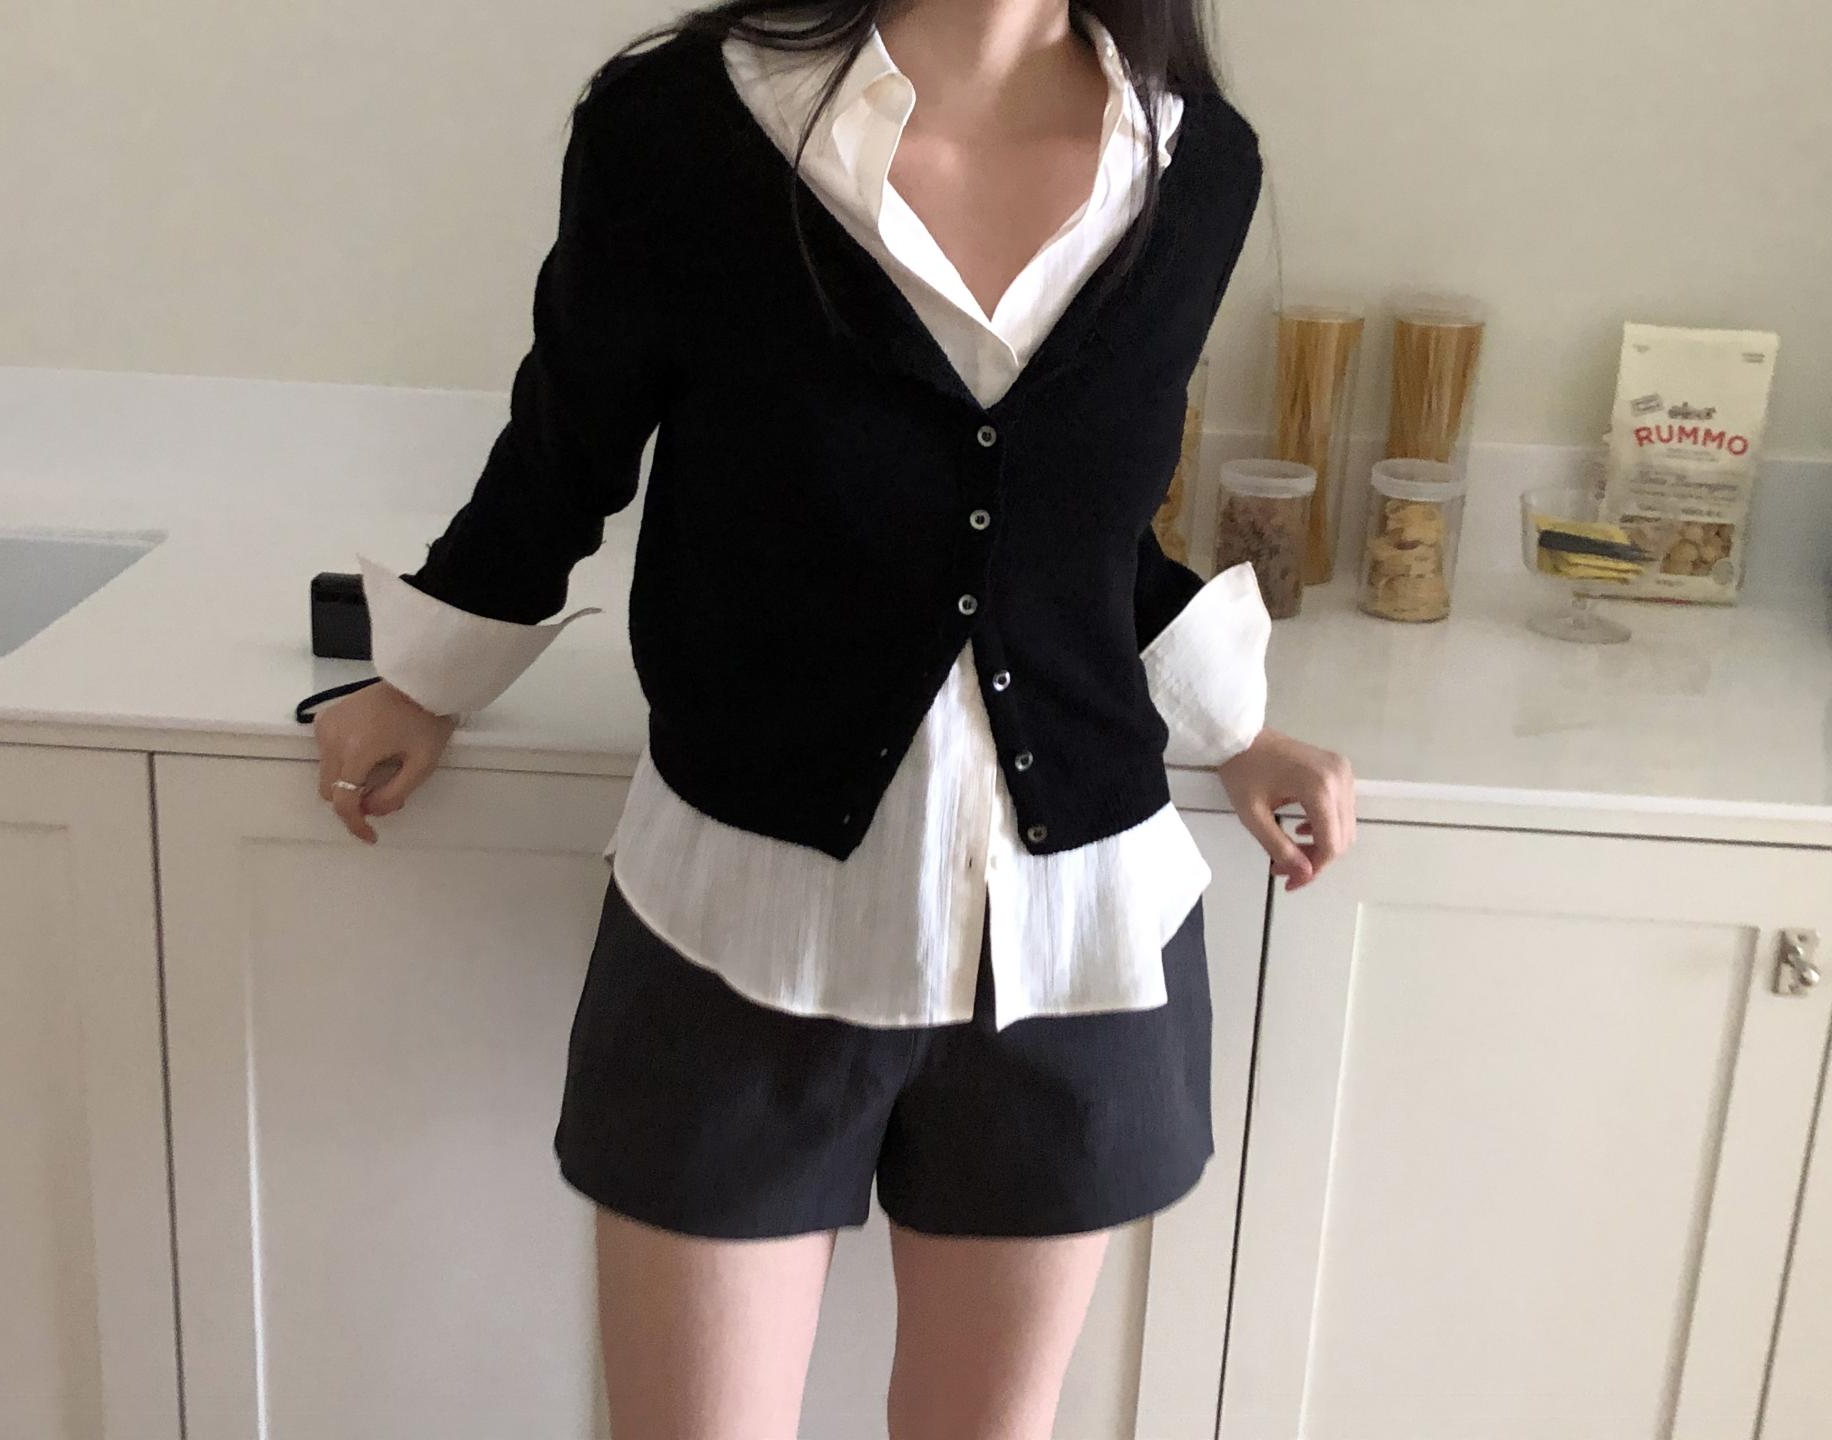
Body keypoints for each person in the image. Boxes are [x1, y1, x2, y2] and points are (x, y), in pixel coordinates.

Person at [311, 1, 1354, 1435]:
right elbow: (569, 441)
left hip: (1076, 943)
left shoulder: (1194, 162)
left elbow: (1077, 525)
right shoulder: (688, 124)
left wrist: (1234, 728)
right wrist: (428, 675)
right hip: (740, 923)